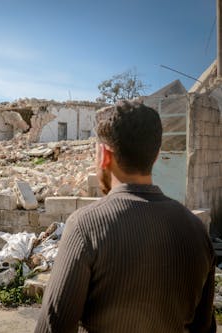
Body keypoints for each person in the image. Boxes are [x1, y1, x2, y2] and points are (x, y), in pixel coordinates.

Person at [35, 100, 215, 333]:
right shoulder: (197, 230)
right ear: (157, 154)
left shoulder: (85, 226)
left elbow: (53, 327)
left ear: (104, 155)